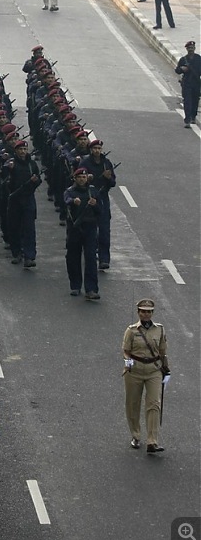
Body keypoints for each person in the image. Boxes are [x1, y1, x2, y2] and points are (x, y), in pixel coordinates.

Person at [122, 299, 170, 453]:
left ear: (152, 313)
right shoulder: (131, 330)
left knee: (154, 404)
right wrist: (128, 364)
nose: (146, 314)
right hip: (134, 371)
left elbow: (162, 351)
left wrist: (166, 368)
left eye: (148, 311)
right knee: (133, 404)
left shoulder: (160, 330)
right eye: (143, 311)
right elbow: (126, 350)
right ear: (138, 313)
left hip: (153, 370)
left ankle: (152, 441)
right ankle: (136, 435)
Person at [2, 140, 41, 267]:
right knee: (15, 227)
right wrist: (11, 171)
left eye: (24, 149)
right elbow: (4, 178)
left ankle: (29, 256)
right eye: (20, 149)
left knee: (29, 228)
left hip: (28, 198)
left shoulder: (32, 164)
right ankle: (16, 253)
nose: (23, 152)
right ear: (16, 151)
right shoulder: (11, 163)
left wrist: (35, 181)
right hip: (14, 199)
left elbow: (38, 179)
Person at [64, 167, 101, 299]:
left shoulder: (92, 191)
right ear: (75, 178)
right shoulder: (70, 191)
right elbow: (66, 201)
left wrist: (95, 204)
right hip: (75, 228)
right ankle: (75, 285)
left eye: (84, 177)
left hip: (90, 227)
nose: (82, 179)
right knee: (73, 256)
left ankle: (91, 289)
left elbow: (100, 210)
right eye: (79, 177)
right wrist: (74, 202)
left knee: (91, 257)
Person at [81, 139, 116, 268]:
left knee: (104, 230)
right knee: (90, 229)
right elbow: (79, 180)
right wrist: (89, 179)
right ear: (91, 149)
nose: (97, 151)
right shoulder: (85, 163)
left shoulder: (106, 163)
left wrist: (109, 178)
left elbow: (113, 183)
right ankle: (90, 253)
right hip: (89, 197)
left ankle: (104, 259)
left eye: (99, 148)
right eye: (95, 148)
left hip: (102, 198)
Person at [174, 41, 201, 127]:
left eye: (192, 48)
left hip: (196, 84)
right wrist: (182, 69)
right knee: (187, 101)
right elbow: (177, 70)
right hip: (187, 84)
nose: (191, 50)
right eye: (189, 48)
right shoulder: (183, 59)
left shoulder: (198, 59)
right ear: (186, 49)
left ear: (194, 49)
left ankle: (193, 116)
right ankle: (187, 120)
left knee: (195, 101)